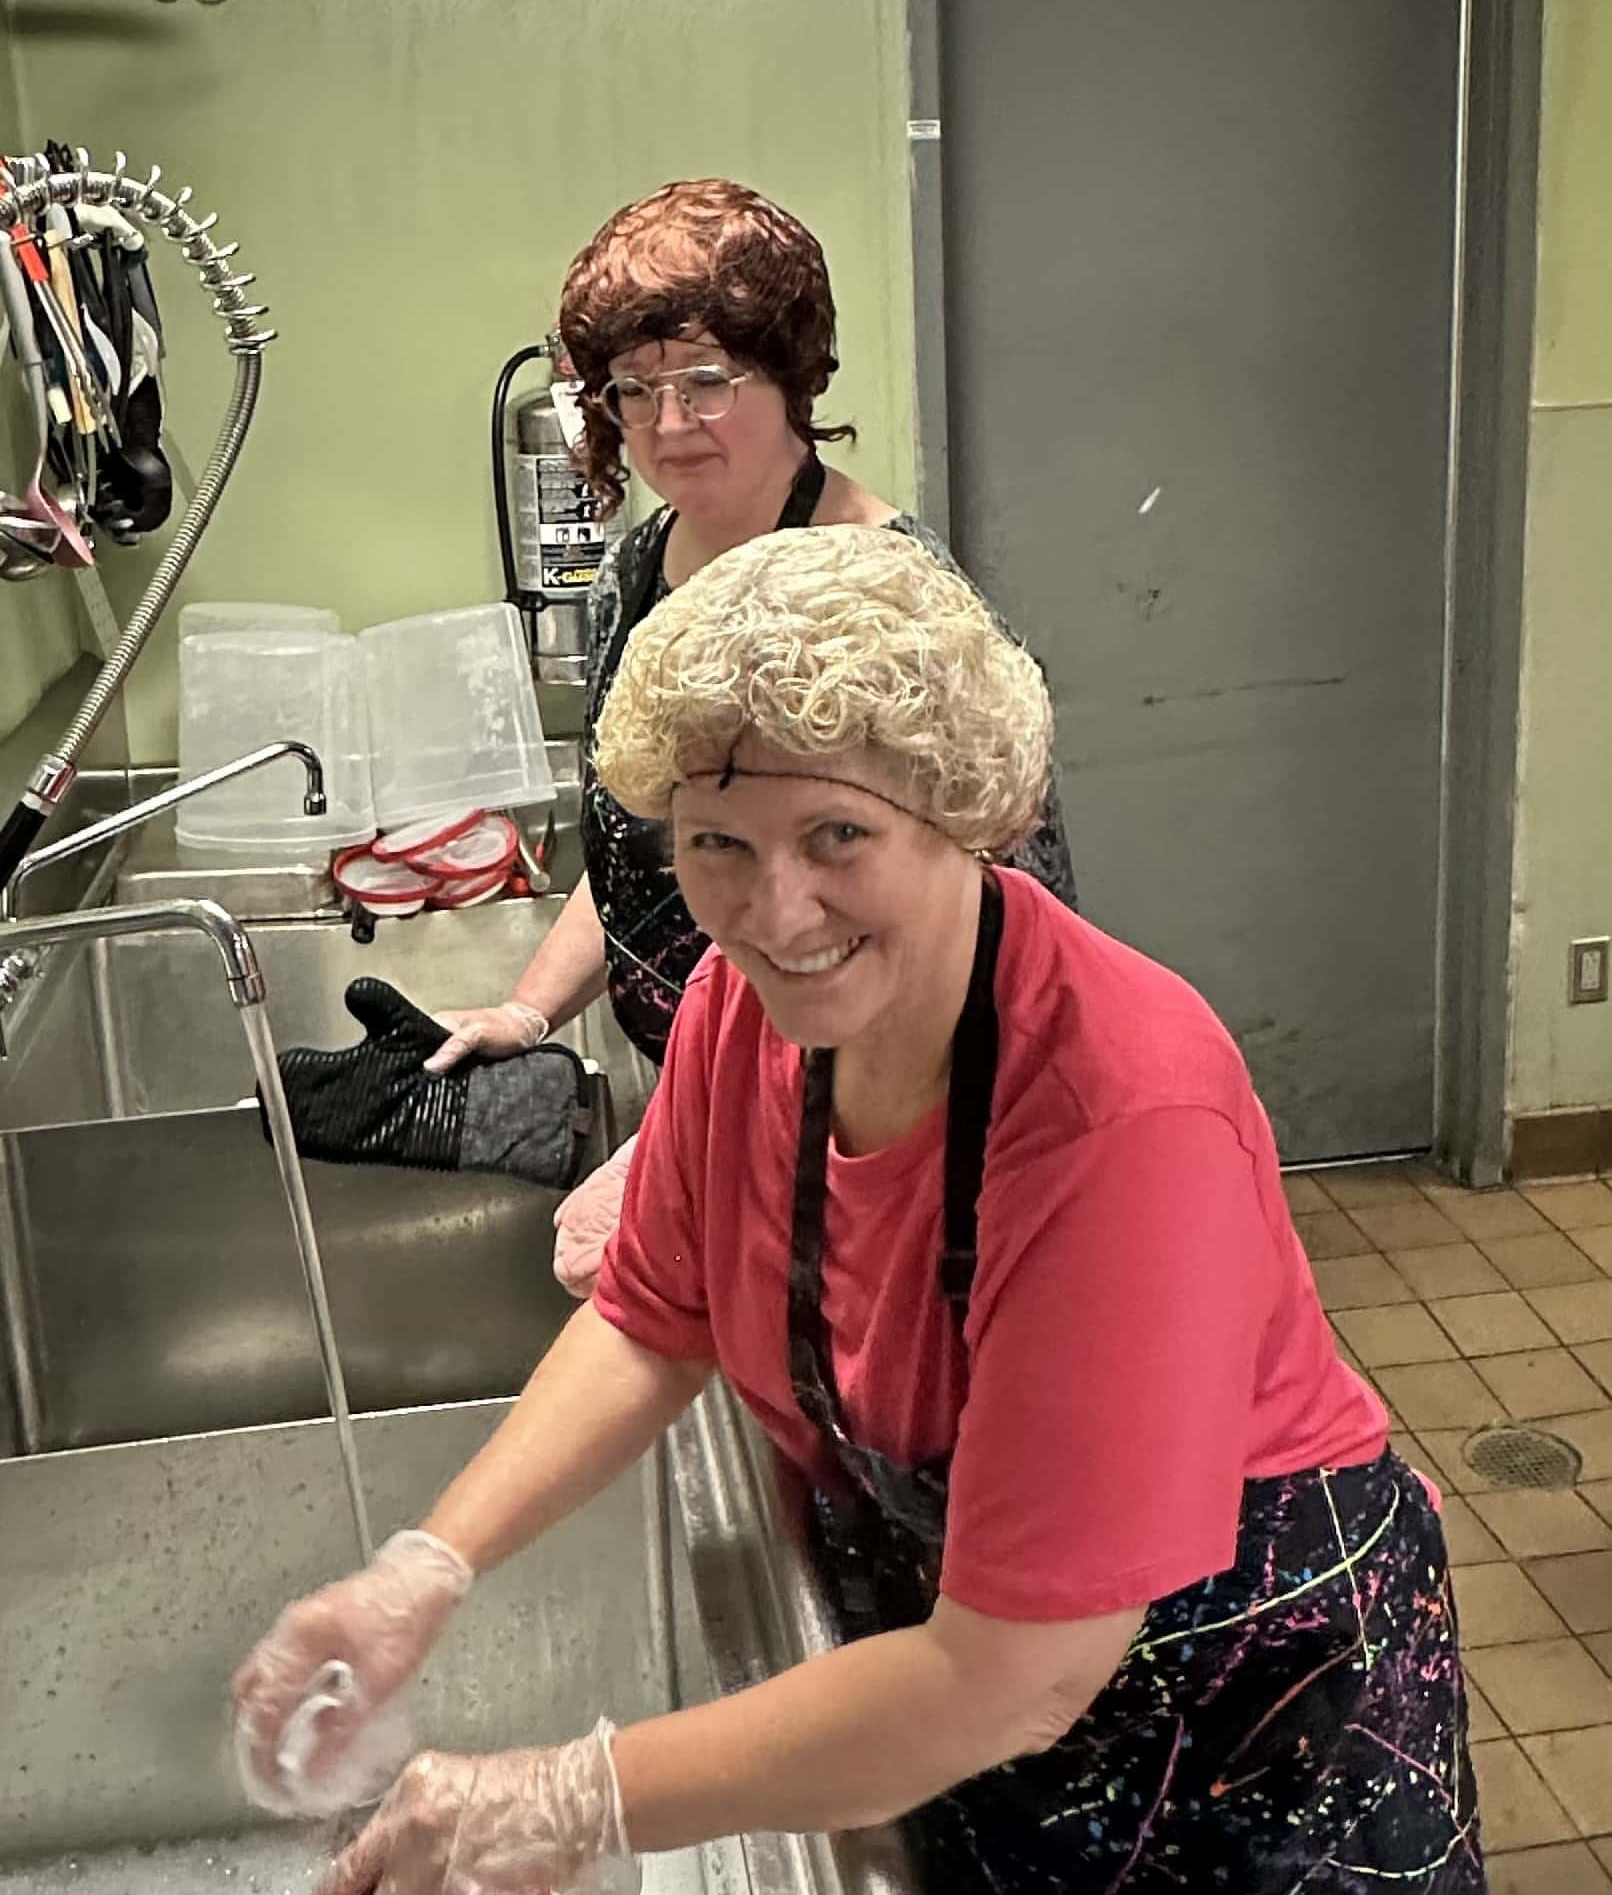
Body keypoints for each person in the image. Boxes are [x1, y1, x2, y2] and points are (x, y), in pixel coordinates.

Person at [233, 527, 1483, 1895]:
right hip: (982, 1702)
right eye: (719, 843)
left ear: (961, 811)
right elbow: (655, 1315)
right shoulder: (738, 1014)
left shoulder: (1122, 1111)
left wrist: (580, 1794)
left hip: (1255, 1719)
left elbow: (1015, 1673)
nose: (778, 911)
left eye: (839, 834)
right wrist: (428, 1564)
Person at [420, 178, 1076, 1295]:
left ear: (790, 372)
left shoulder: (889, 599)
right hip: (713, 1097)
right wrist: (529, 1011)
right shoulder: (641, 570)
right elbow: (648, 849)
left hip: (870, 1129)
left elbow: (981, 936)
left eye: (707, 380)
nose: (668, 423)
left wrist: (713, 1138)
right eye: (634, 390)